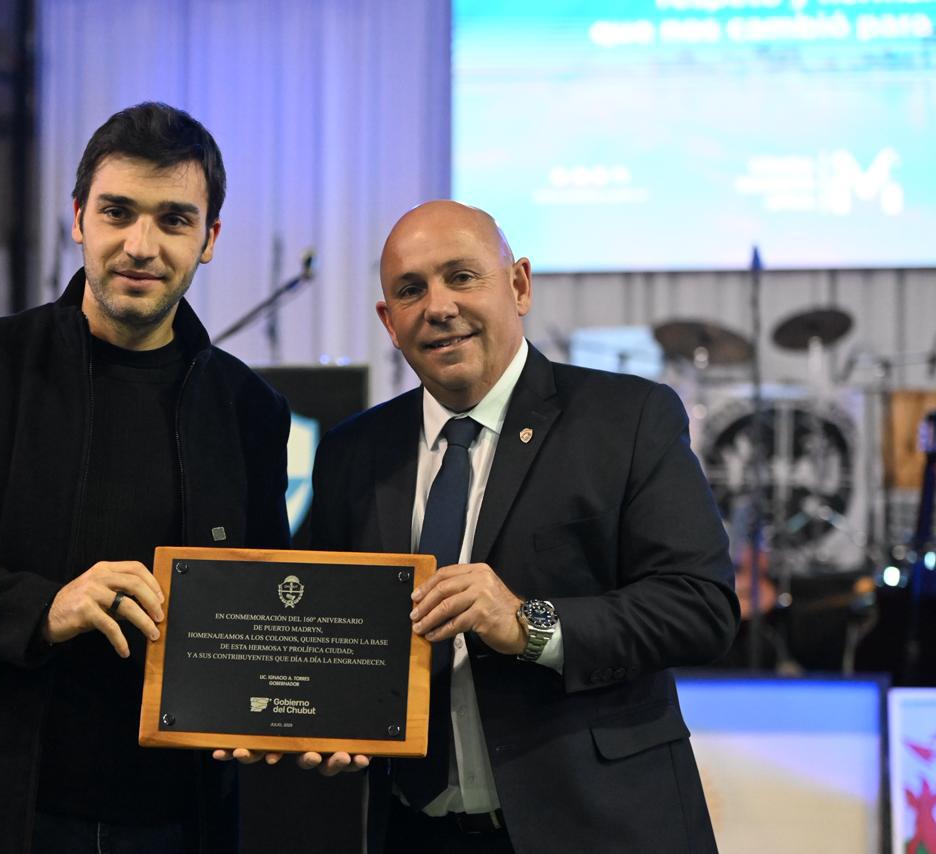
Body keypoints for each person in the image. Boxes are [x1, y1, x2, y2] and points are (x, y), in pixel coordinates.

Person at [0, 102, 290, 854]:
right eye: (118, 212)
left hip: (179, 822)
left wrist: (298, 716)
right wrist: (43, 607)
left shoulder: (250, 409)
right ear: (78, 219)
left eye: (174, 220)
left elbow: (267, 598)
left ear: (209, 240)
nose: (141, 245)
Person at [306, 200, 738, 852]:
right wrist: (318, 720)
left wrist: (528, 625)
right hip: (412, 833)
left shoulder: (627, 419)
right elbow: (327, 627)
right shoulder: (351, 453)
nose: (438, 306)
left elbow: (701, 608)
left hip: (597, 831)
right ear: (388, 321)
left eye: (461, 276)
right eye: (410, 290)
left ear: (519, 285)